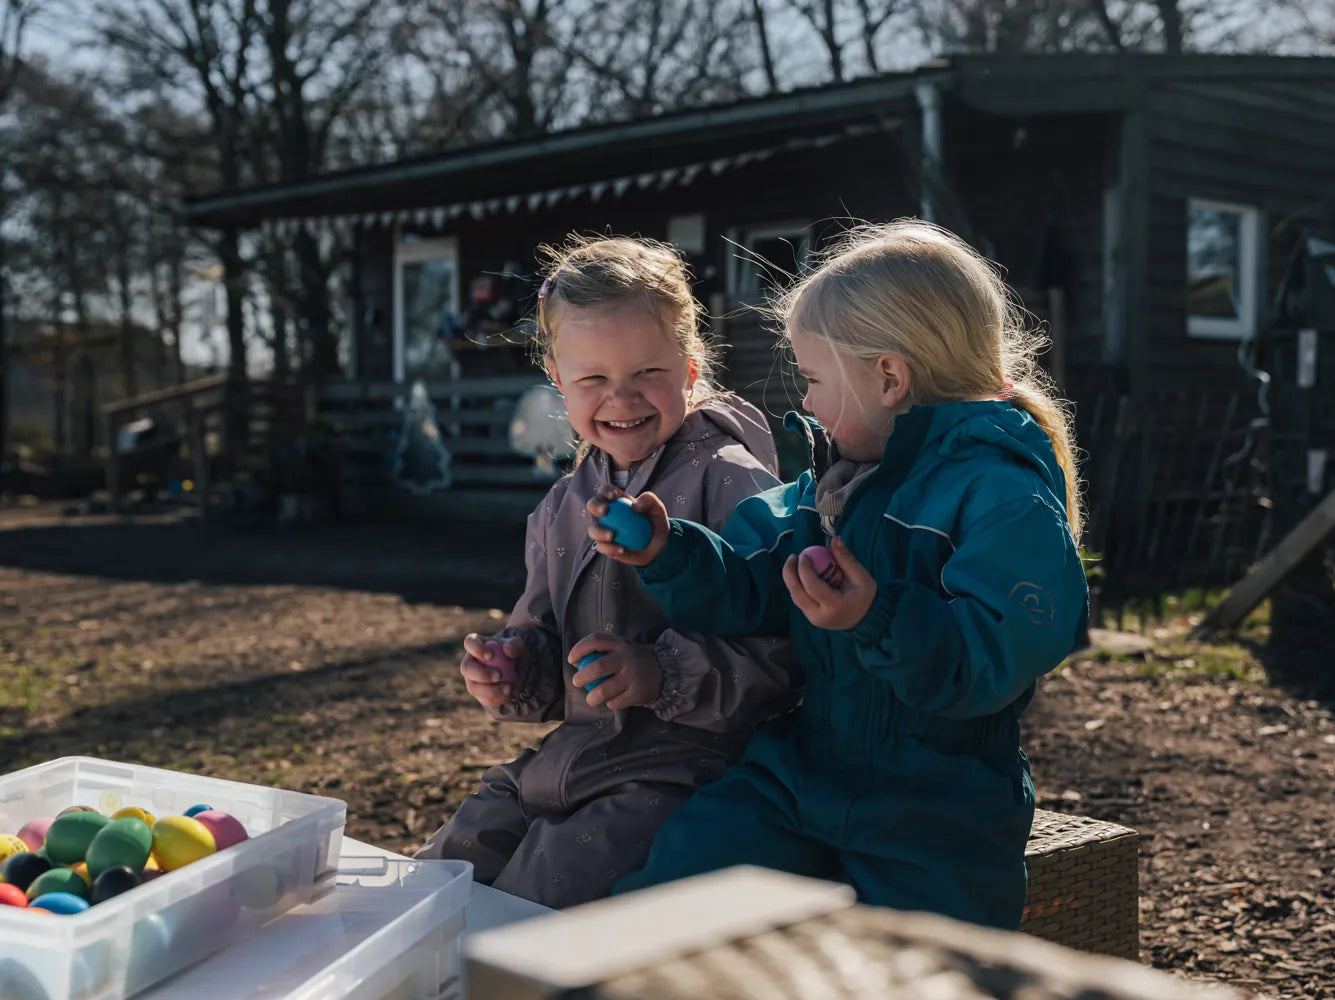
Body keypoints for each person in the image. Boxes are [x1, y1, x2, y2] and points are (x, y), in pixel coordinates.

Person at [587, 220, 1088, 929]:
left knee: (931, 967)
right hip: (806, 770)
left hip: (940, 799)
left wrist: (874, 616)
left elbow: (992, 658)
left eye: (815, 379)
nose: (808, 402)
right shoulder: (835, 484)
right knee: (677, 887)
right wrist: (672, 552)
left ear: (888, 377)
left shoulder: (1001, 494)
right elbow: (752, 580)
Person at [416, 235, 801, 908]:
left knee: (534, 899)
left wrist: (660, 674)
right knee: (440, 871)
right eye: (593, 379)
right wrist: (513, 669)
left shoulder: (733, 479)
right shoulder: (562, 505)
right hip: (570, 761)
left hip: (684, 771)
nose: (621, 399)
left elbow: (785, 656)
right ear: (558, 382)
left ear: (689, 368)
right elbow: (542, 649)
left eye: (647, 373)